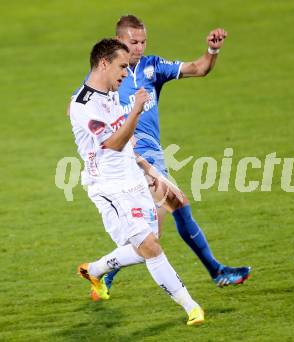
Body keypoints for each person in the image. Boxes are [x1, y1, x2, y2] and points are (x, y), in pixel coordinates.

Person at [97, 15, 251, 294]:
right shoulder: (108, 76)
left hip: (152, 156)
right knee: (158, 226)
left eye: (143, 41)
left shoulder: (152, 67)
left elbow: (199, 68)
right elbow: (80, 107)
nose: (140, 47)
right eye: (134, 42)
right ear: (119, 40)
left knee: (162, 221)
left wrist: (212, 50)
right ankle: (215, 273)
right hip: (129, 159)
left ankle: (104, 272)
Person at [69, 38, 204, 325]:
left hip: (132, 175)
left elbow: (126, 140)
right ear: (104, 63)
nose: (125, 74)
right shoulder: (83, 105)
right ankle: (191, 307)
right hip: (108, 186)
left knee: (147, 247)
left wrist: (146, 168)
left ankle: (93, 270)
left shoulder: (111, 93)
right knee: (150, 248)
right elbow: (112, 144)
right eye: (121, 67)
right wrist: (136, 111)